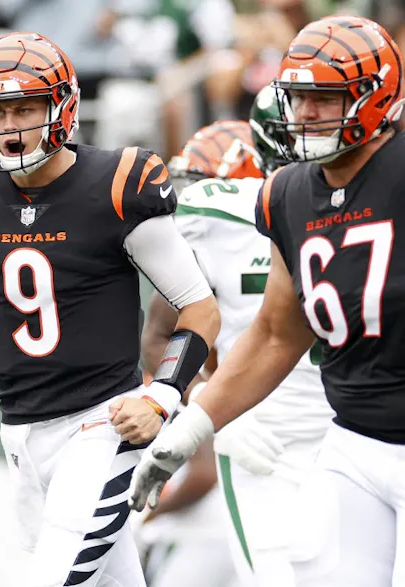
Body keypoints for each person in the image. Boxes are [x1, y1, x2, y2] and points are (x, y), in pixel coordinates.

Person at [0, 32, 220, 587]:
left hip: (104, 425)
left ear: (62, 106)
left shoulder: (116, 185)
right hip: (21, 433)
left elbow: (198, 307)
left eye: (25, 109)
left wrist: (162, 395)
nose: (9, 126)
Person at [128, 15, 405, 587]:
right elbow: (278, 332)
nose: (302, 114)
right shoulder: (288, 193)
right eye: (297, 98)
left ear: (374, 98)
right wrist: (193, 424)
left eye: (322, 99)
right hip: (353, 438)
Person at [142, 95, 335, 587]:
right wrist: (208, 404)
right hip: (260, 430)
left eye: (200, 182)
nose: (188, 198)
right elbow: (160, 333)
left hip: (351, 419)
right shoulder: (209, 223)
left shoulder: (340, 209)